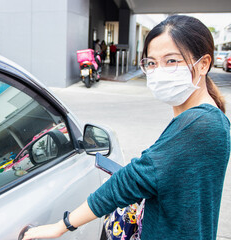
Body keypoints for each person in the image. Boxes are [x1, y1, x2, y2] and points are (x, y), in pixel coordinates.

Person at [23, 15, 230, 240]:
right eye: (151, 63)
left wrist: (61, 226)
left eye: (171, 61)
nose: (158, 71)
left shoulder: (200, 124)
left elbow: (131, 181)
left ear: (203, 64)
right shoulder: (204, 118)